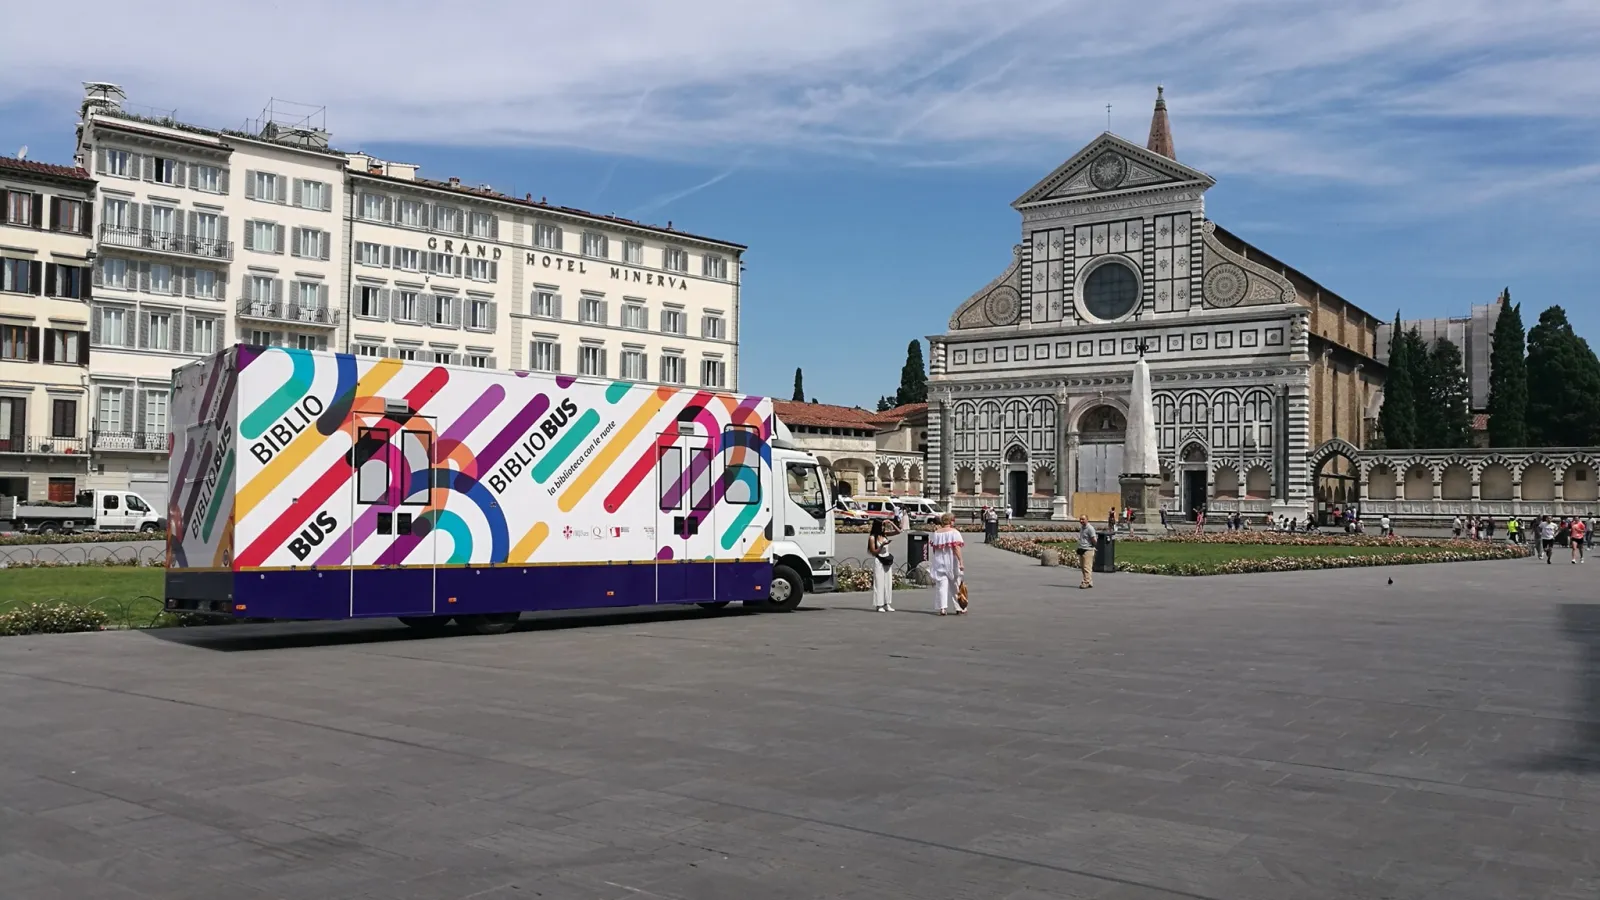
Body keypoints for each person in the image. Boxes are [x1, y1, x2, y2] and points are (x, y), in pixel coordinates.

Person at [928, 513, 966, 616]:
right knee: (955, 584)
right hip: (951, 561)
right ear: (950, 521)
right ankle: (959, 607)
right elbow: (956, 548)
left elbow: (935, 549)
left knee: (942, 585)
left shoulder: (936, 533)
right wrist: (961, 561)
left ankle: (943, 608)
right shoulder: (954, 532)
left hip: (939, 561)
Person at [867, 518, 898, 612]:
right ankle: (879, 604)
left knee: (888, 582)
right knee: (879, 583)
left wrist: (891, 523)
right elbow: (873, 552)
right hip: (879, 560)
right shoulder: (872, 537)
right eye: (881, 526)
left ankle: (887, 603)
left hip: (887, 560)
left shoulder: (884, 534)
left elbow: (898, 531)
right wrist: (881, 545)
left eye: (883, 526)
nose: (883, 528)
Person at [1076, 514, 1098, 589]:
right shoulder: (1082, 528)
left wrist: (1093, 547)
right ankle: (1089, 581)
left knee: (1086, 567)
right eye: (1080, 519)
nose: (1081, 521)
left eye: (1083, 519)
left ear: (1087, 520)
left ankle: (1086, 582)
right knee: (1083, 567)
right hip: (1082, 548)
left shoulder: (1090, 528)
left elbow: (1094, 539)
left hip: (1088, 549)